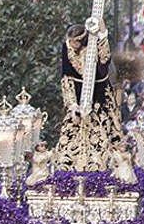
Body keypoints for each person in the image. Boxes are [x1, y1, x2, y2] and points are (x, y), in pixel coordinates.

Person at [53, 18, 125, 172]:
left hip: (99, 93)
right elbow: (66, 77)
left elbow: (104, 63)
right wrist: (72, 105)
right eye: (70, 42)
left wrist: (103, 34)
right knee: (71, 130)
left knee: (107, 130)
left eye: (75, 43)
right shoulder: (66, 48)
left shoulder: (95, 46)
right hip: (77, 94)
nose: (72, 46)